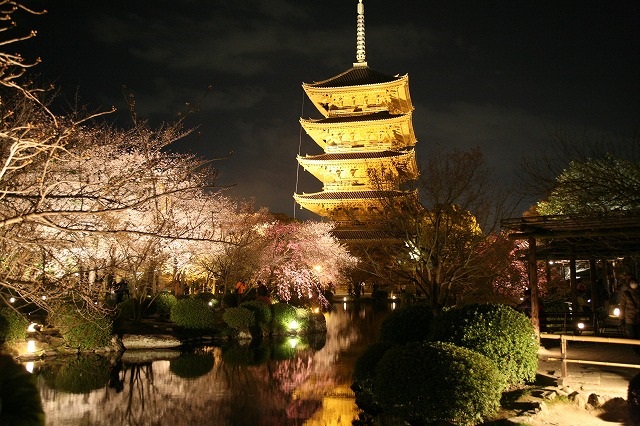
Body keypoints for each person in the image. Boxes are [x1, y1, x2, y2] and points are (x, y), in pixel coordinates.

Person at [619, 277, 640, 354]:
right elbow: (622, 306)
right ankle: (635, 350)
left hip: (638, 318)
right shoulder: (626, 293)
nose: (634, 284)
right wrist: (621, 318)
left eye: (635, 282)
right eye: (632, 282)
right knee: (632, 335)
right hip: (630, 318)